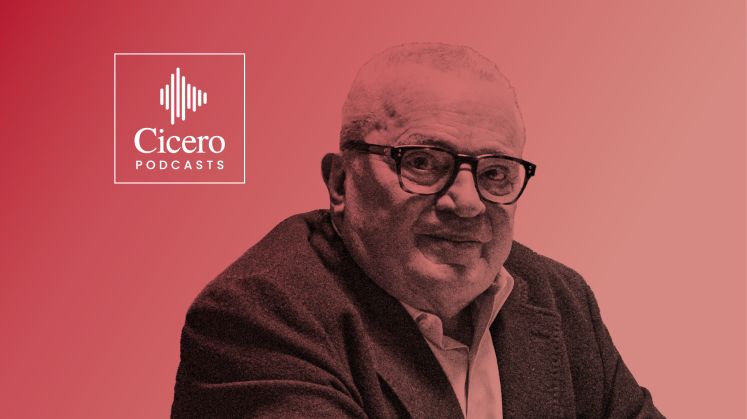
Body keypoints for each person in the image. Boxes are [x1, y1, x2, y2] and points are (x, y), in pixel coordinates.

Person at [172, 43, 664, 418]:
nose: (467, 203)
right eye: (423, 162)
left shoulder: (560, 297)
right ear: (340, 183)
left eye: (495, 173)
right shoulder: (256, 316)